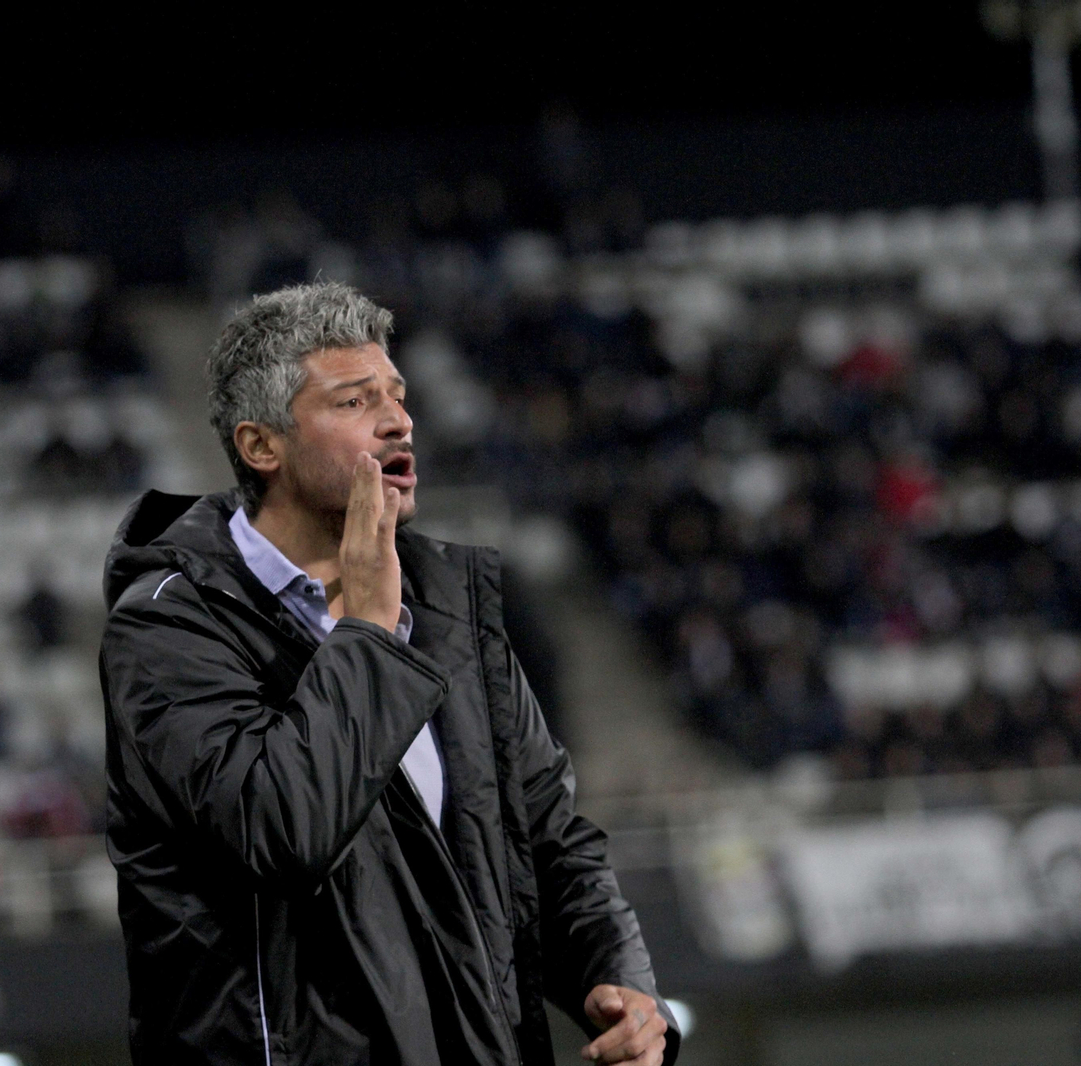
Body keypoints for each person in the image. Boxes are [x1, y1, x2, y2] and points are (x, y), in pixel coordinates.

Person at [100, 283, 676, 1065]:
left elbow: (548, 840)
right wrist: (367, 627)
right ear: (261, 446)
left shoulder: (446, 612)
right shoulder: (169, 625)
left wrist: (619, 980)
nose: (399, 419)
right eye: (353, 401)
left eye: (397, 396)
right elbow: (283, 828)